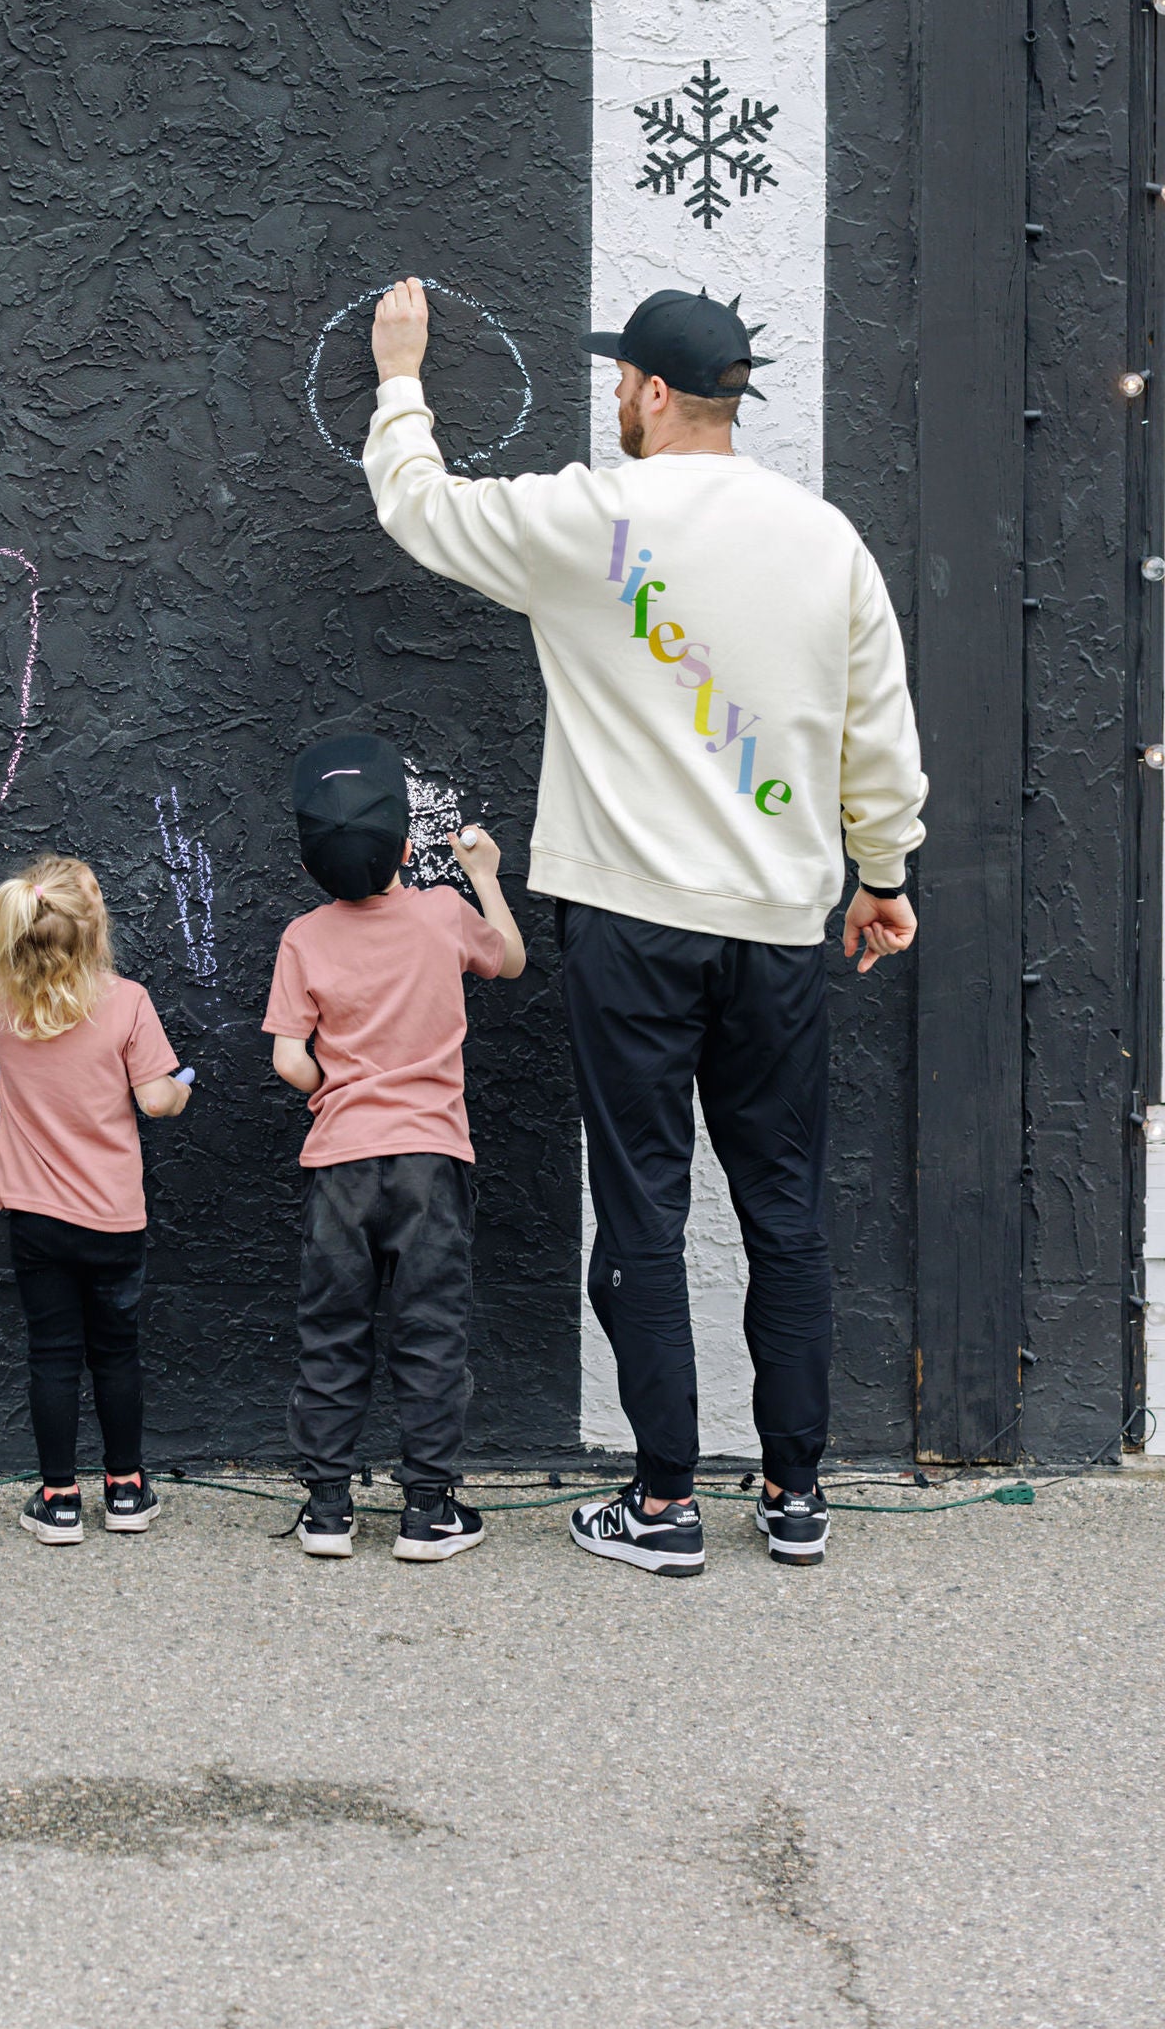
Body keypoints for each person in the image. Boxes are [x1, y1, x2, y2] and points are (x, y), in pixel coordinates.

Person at [363, 281, 925, 1576]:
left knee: (645, 1206)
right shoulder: (827, 540)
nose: (613, 393)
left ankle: (663, 1504)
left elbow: (423, 511)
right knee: (783, 1206)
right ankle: (795, 1495)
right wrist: (882, 872)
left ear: (656, 392)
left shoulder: (592, 519)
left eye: (622, 377)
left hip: (627, 924)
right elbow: (879, 736)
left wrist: (402, 376)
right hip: (782, 928)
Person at [264, 733, 524, 1563]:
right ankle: (427, 1508)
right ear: (407, 848)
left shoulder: (303, 937)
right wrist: (481, 873)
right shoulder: (443, 915)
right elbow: (510, 960)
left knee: (333, 1329)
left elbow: (286, 1055)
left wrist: (328, 1085)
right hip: (431, 1162)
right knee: (429, 1329)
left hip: (339, 1165)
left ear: (313, 866)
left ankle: (330, 1507)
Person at [0, 855, 191, 1544]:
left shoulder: (1, 1004)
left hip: (35, 1217)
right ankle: (126, 1488)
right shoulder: (127, 1001)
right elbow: (154, 1097)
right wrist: (180, 1088)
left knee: (52, 1353)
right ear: (93, 931)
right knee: (116, 1351)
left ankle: (57, 1499)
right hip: (113, 1218)